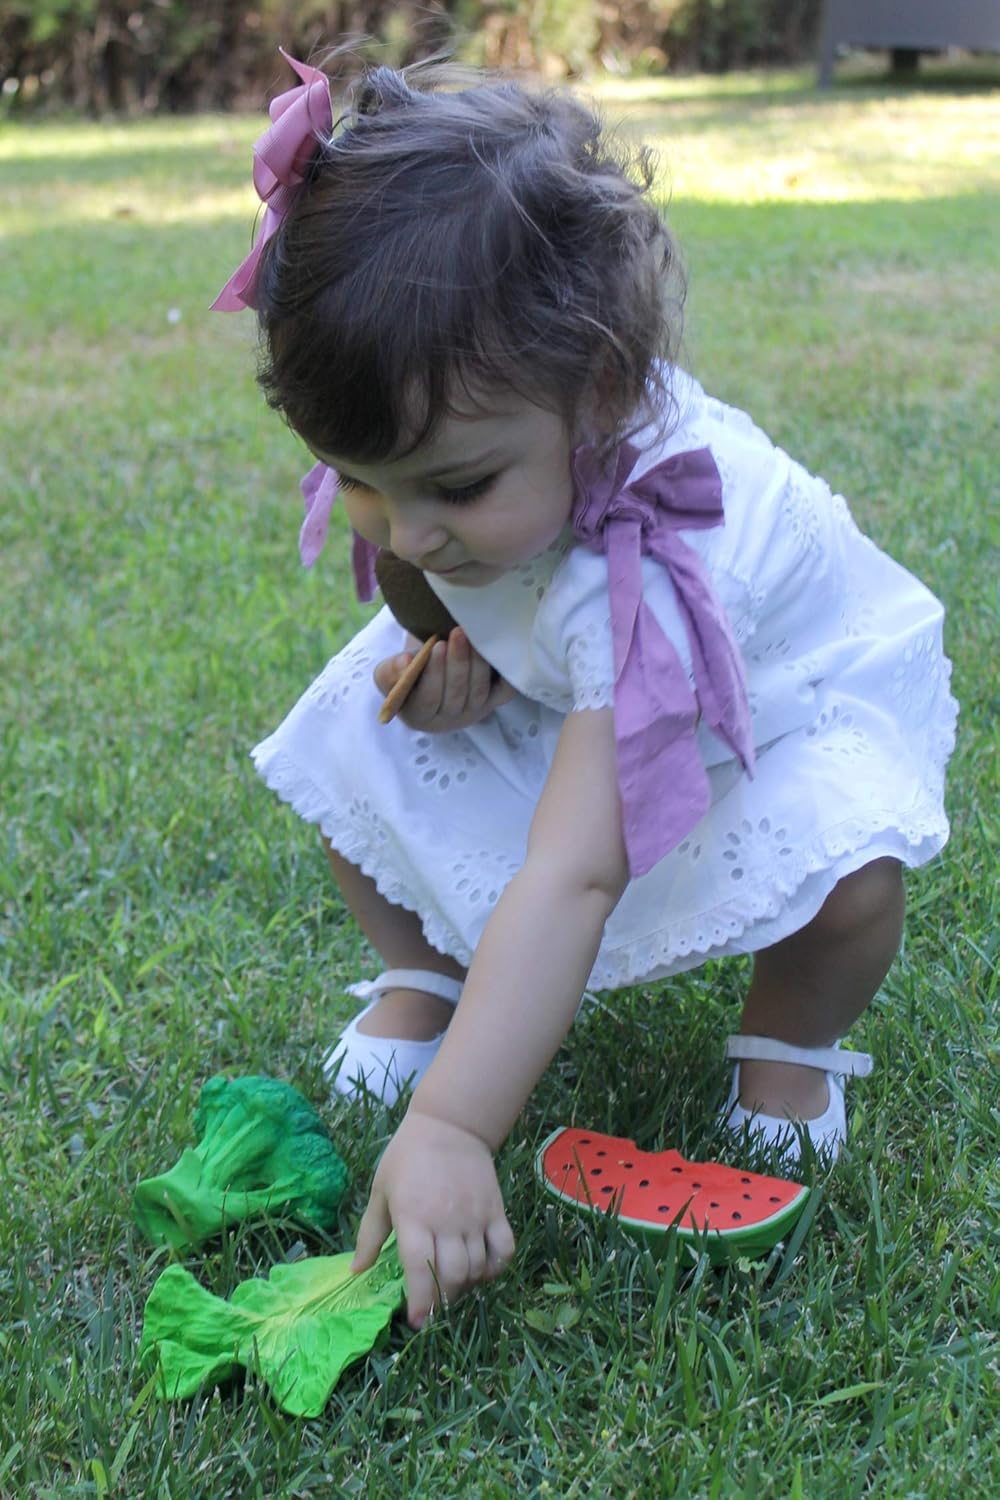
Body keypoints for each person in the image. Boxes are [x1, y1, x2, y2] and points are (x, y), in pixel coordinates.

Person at [213, 52, 957, 1328]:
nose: (408, 525)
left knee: (841, 877)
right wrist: (464, 660)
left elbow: (577, 871)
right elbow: (421, 573)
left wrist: (454, 1123)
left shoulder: (666, 553)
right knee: (356, 733)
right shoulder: (460, 473)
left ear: (600, 395)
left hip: (759, 711)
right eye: (362, 477)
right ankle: (428, 971)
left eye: (453, 485)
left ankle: (786, 1042)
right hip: (578, 683)